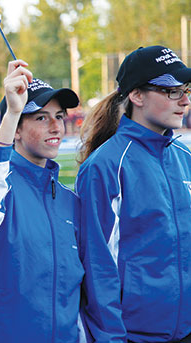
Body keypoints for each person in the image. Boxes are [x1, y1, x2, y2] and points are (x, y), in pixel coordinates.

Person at [0, 61, 123, 342]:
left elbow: (90, 287)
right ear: (17, 131)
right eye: (41, 117)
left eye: (59, 116)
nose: (55, 126)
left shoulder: (71, 202)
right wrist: (12, 113)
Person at [77, 45, 191, 342]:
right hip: (135, 335)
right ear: (137, 96)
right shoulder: (105, 166)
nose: (185, 101)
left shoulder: (184, 156)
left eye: (186, 90)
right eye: (172, 92)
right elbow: (99, 267)